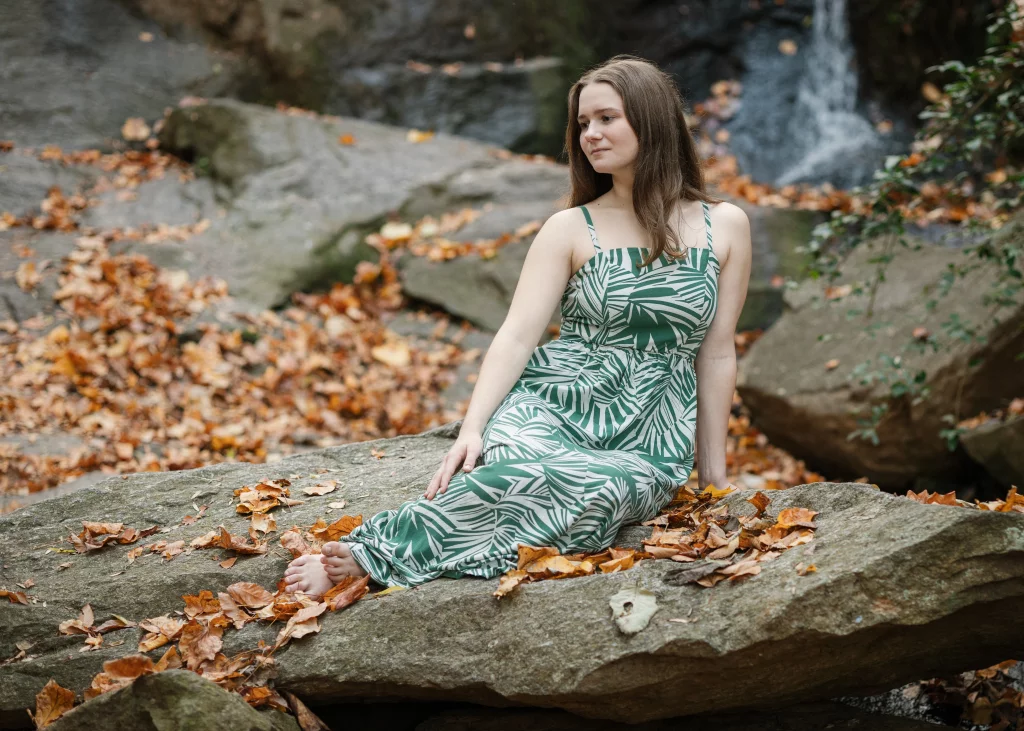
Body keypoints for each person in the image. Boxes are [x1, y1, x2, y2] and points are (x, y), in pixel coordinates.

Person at [284, 54, 751, 595]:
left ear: (651, 119)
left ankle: (391, 554)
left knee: (595, 490)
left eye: (606, 118)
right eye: (581, 124)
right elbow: (517, 336)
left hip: (648, 434)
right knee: (518, 473)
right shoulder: (570, 227)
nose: (590, 136)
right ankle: (374, 555)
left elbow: (716, 354)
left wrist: (714, 478)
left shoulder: (726, 226)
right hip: (553, 407)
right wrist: (474, 428)